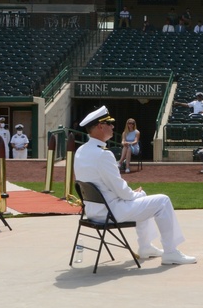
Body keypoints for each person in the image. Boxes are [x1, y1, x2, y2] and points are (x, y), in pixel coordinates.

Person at [73, 106, 196, 265]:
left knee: (143, 197)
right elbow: (120, 189)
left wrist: (135, 195)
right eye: (109, 123)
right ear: (100, 126)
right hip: (110, 211)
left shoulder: (81, 151)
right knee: (163, 201)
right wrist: (135, 194)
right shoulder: (103, 154)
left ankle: (145, 247)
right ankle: (171, 252)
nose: (113, 126)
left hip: (93, 210)